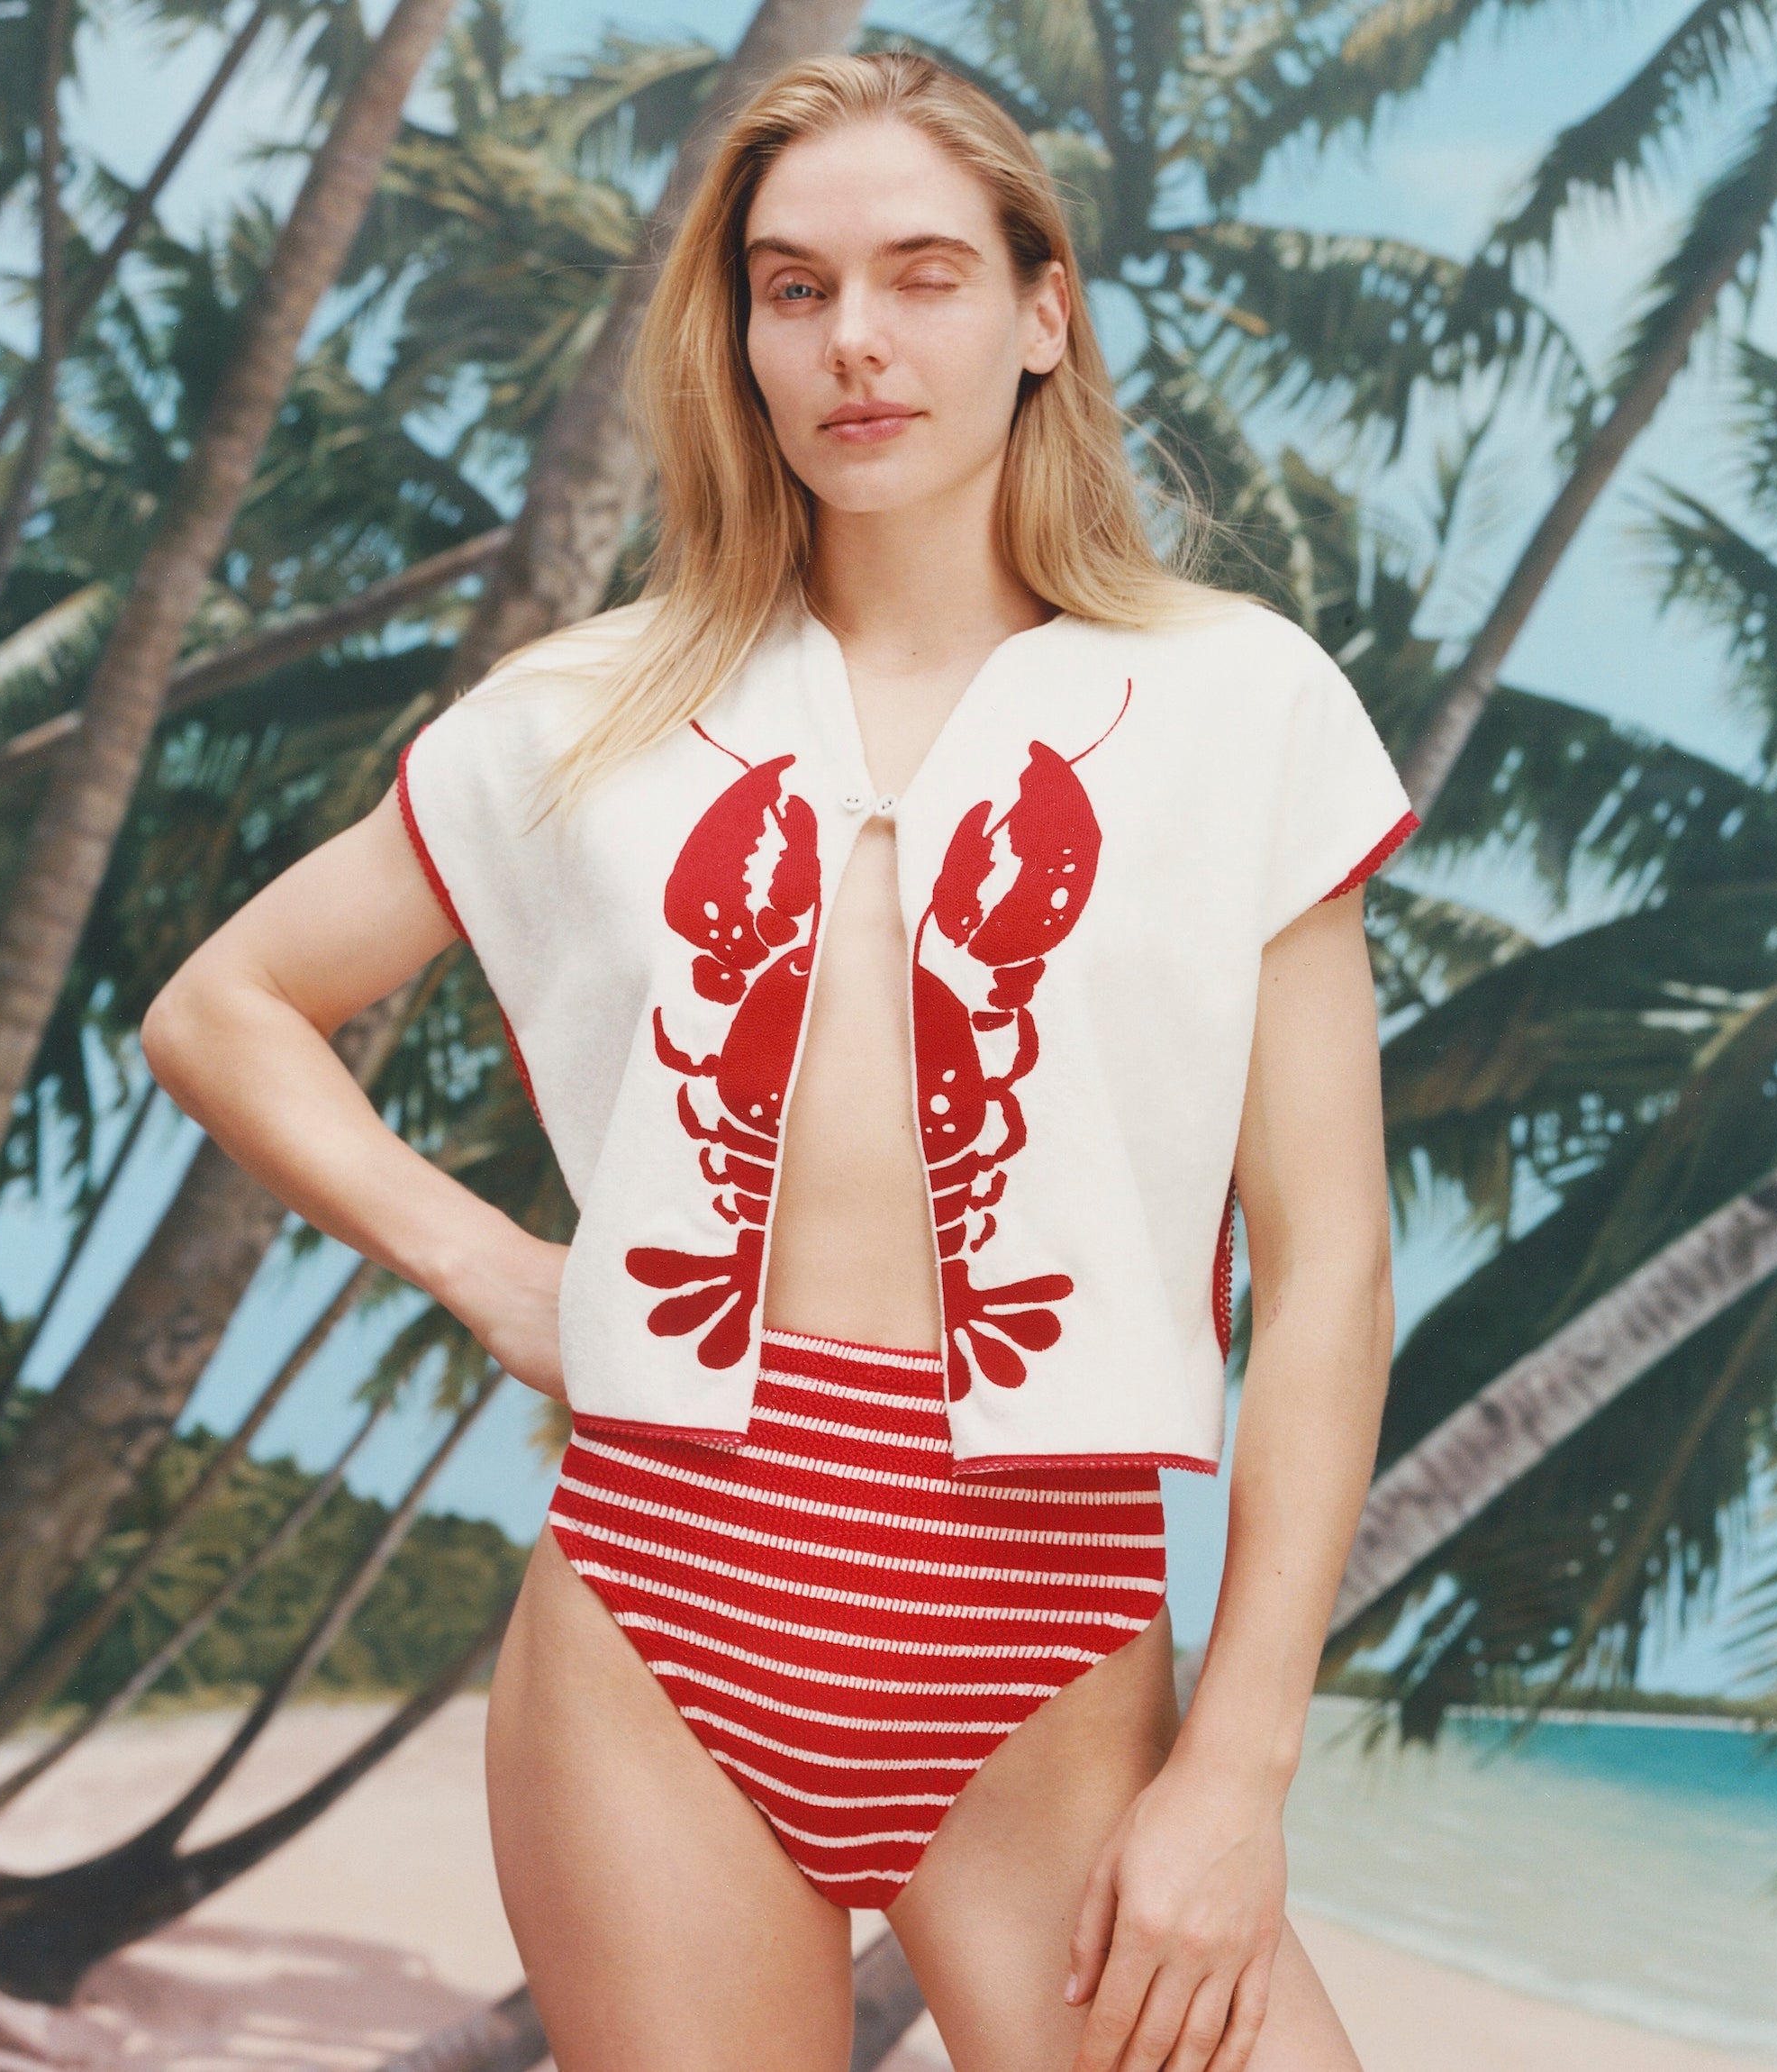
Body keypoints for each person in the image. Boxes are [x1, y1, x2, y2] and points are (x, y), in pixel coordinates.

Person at [143, 50, 1415, 2072]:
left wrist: (1234, 1773)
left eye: (922, 274)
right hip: (659, 1599)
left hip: (1045, 1630)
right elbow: (218, 1005)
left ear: (1040, 309)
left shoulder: (1236, 702)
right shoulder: (598, 708)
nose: (857, 342)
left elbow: (1329, 1258)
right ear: (737, 334)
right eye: (793, 286)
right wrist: (491, 1271)